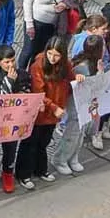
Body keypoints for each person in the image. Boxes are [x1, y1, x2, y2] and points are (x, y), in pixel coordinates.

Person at [20, 39, 72, 186]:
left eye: (56, 55)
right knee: (30, 143)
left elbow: (72, 78)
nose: (52, 58)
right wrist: (54, 107)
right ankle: (24, 174)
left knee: (44, 142)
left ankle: (40, 169)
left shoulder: (65, 66)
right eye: (50, 53)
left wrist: (79, 79)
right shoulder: (38, 66)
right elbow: (39, 92)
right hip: (40, 112)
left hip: (54, 113)